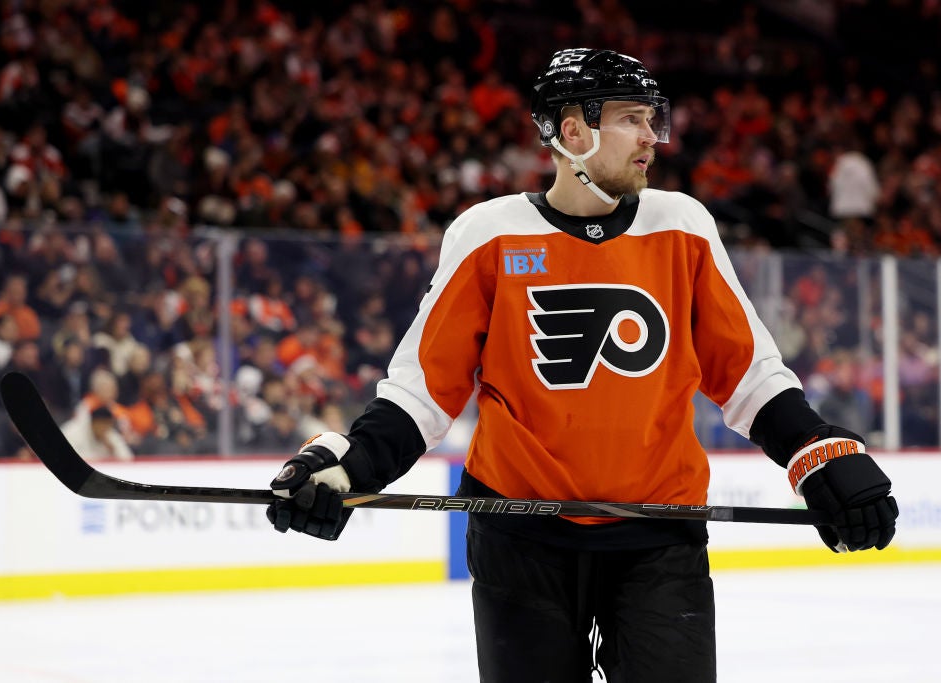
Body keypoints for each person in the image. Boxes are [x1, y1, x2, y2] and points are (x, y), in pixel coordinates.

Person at [265, 48, 899, 683]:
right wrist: (354, 462)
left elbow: (747, 372)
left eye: (653, 119)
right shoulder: (489, 235)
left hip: (658, 531)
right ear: (572, 131)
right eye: (631, 119)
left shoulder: (682, 226)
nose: (652, 137)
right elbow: (424, 389)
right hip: (519, 532)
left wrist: (814, 448)